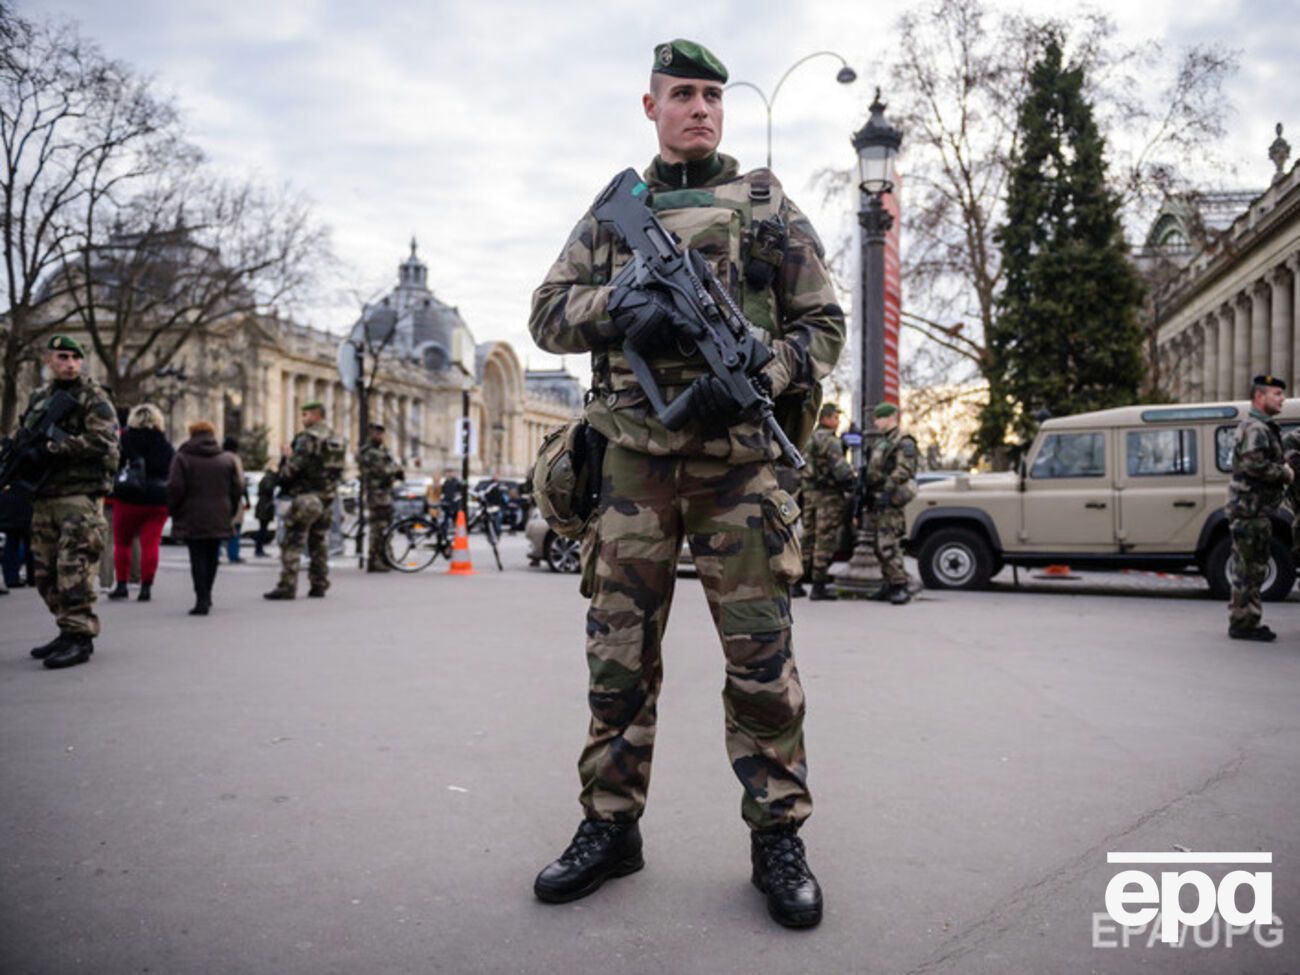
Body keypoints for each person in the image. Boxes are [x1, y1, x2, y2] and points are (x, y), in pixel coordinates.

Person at [527, 40, 844, 928]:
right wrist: (619, 305)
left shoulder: (767, 204)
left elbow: (824, 323)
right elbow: (547, 314)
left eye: (711, 95)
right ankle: (609, 825)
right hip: (631, 461)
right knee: (618, 657)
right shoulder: (613, 215)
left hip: (740, 465)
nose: (700, 108)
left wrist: (769, 363)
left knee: (761, 660)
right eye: (682, 95)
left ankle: (777, 835)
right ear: (651, 106)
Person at [12, 336, 118, 669]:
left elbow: (104, 441)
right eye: (63, 357)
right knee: (44, 573)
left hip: (78, 497)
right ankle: (67, 628)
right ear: (49, 360)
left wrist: (56, 447)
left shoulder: (93, 397)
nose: (70, 363)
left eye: (75, 357)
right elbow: (25, 438)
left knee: (74, 569)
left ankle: (80, 637)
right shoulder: (39, 399)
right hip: (44, 496)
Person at [1226, 375, 1292, 641]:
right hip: (1250, 510)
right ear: (1260, 397)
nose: (1282, 399)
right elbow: (1254, 465)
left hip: (1251, 509)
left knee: (1249, 566)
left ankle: (1244, 619)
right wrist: (1285, 473)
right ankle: (1244, 623)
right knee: (1250, 568)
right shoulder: (1256, 428)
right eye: (1276, 394)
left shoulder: (1258, 425)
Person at [264, 401, 345, 600]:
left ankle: (287, 586)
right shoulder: (336, 438)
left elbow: (293, 470)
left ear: (316, 415)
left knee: (293, 541)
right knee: (319, 541)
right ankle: (319, 583)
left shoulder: (307, 438)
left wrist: (285, 462)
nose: (302, 419)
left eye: (306, 415)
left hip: (306, 497)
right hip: (327, 497)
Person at [167, 420, 243, 616]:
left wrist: (173, 510)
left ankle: (201, 597)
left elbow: (175, 488)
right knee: (212, 556)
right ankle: (207, 593)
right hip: (219, 514)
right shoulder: (226, 459)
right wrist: (231, 510)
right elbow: (236, 489)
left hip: (191, 514)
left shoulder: (182, 458)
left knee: (197, 557)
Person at [107, 403, 174, 602]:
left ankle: (121, 585)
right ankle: (146, 587)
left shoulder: (125, 439)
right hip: (157, 499)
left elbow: (114, 465)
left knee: (122, 543)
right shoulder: (164, 444)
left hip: (129, 496)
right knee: (151, 544)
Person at [795, 402, 855, 601]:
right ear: (826, 418)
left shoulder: (810, 438)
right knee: (825, 538)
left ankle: (797, 583)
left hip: (809, 494)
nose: (837, 422)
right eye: (835, 418)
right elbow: (840, 470)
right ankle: (819, 586)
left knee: (808, 538)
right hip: (827, 496)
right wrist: (852, 484)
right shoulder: (830, 440)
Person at [862, 402, 919, 605]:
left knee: (888, 543)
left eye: (879, 418)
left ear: (890, 418)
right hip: (879, 498)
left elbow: (904, 469)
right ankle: (889, 583)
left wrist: (887, 489)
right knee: (879, 544)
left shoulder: (904, 441)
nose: (876, 422)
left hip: (891, 498)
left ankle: (900, 585)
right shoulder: (882, 441)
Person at [358, 422, 404, 572]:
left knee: (385, 527)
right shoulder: (371, 453)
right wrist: (396, 470)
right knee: (378, 528)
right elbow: (383, 471)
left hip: (383, 492)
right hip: (377, 493)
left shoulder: (380, 451)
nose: (380, 436)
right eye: (376, 433)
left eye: (381, 433)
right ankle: (375, 560)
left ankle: (385, 557)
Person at [221, 436, 249, 563]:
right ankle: (233, 554)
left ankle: (216, 555)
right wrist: (244, 499)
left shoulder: (218, 457)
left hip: (219, 499)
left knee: (219, 529)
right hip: (233, 498)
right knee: (235, 529)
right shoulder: (235, 459)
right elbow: (241, 482)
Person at [253, 468, 278, 557]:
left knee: (263, 529)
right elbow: (268, 488)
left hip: (263, 505)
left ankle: (259, 549)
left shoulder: (265, 478)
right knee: (262, 529)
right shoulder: (269, 479)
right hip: (265, 506)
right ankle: (258, 549)